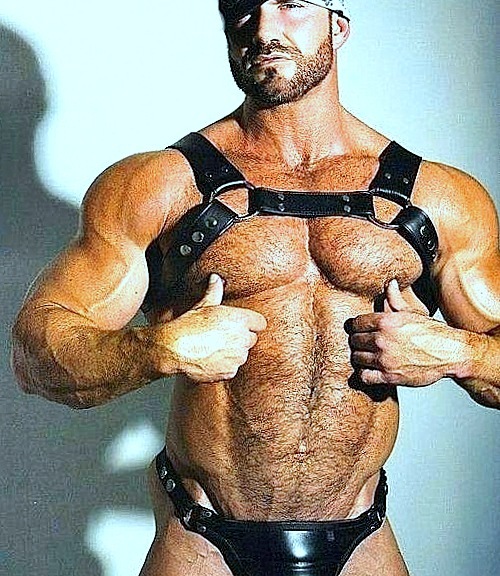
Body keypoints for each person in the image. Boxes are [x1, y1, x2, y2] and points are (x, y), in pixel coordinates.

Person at [11, 0, 500, 575]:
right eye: (245, 8)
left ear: (338, 25)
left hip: (361, 537)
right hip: (203, 539)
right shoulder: (159, 187)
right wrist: (159, 348)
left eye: (292, 5)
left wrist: (458, 352)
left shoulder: (438, 198)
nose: (265, 28)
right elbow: (35, 353)